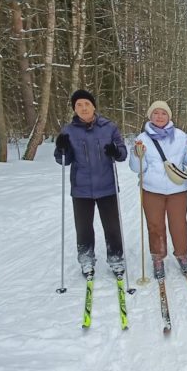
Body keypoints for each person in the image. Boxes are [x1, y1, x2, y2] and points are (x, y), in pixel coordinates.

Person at [54, 89, 128, 279]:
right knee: (84, 227)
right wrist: (61, 148)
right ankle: (86, 259)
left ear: (94, 106)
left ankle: (116, 258)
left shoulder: (108, 127)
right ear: (74, 109)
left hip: (107, 186)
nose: (83, 108)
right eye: (79, 105)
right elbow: (64, 160)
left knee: (112, 226)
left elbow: (122, 154)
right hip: (81, 188)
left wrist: (115, 151)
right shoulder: (68, 131)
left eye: (87, 104)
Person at [129, 101, 187, 281]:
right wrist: (137, 155)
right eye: (156, 113)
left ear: (169, 116)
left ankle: (182, 255)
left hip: (178, 189)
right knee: (155, 225)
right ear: (150, 116)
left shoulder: (181, 136)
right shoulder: (141, 138)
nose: (160, 116)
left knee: (179, 224)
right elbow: (136, 168)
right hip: (151, 189)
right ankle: (158, 257)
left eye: (163, 113)